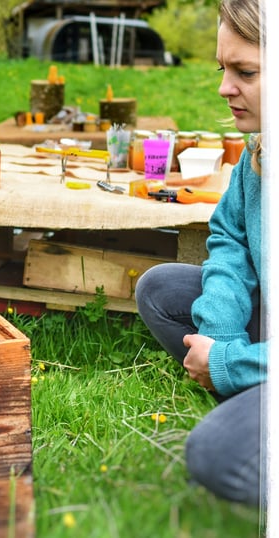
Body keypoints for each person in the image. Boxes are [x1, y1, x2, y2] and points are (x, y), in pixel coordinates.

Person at [135, 0, 265, 507]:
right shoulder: (259, 150)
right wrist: (223, 338)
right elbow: (231, 242)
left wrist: (229, 363)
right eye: (222, 68)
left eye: (245, 72)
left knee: (216, 456)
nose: (223, 87)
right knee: (161, 288)